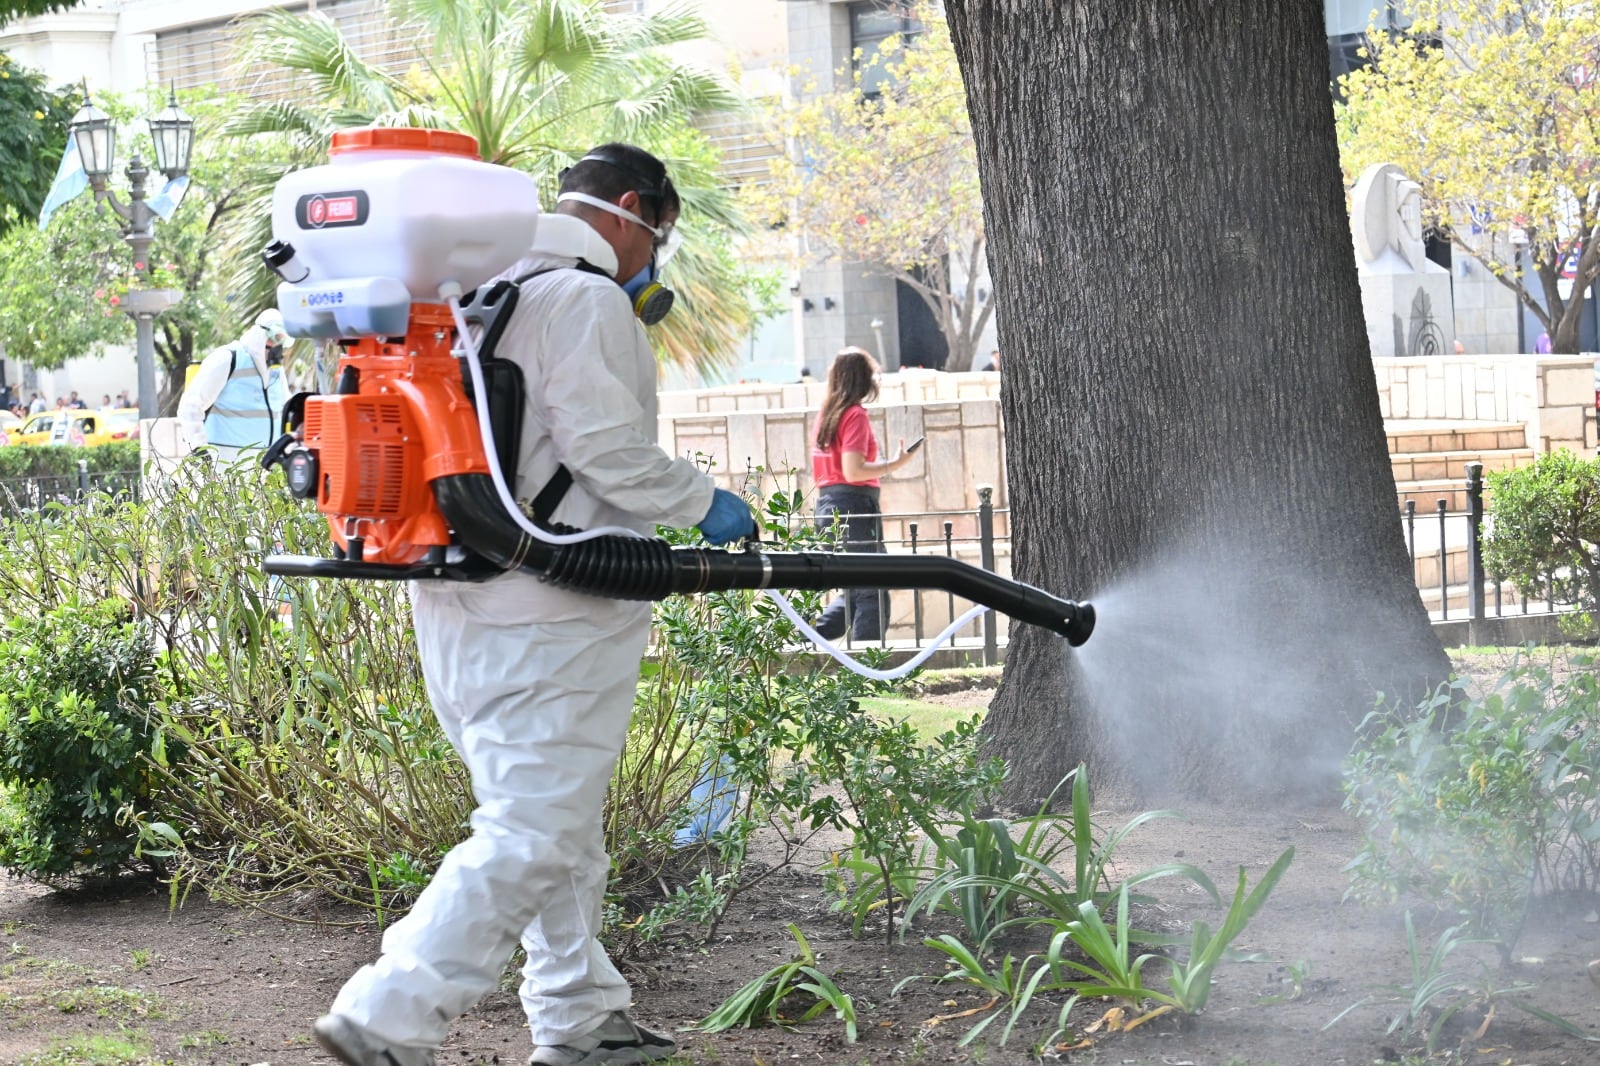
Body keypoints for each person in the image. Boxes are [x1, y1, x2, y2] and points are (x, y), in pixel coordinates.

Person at [312, 143, 756, 1066]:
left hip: (461, 606)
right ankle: (389, 1013)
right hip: (553, 614)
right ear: (633, 210)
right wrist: (700, 503)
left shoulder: (472, 301)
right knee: (535, 827)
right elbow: (606, 454)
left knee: (556, 820)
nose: (652, 263)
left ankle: (581, 1015)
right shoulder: (584, 299)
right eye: (658, 239)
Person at [808, 346, 914, 642]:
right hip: (855, 505)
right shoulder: (853, 415)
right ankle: (866, 669)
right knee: (872, 588)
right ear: (863, 379)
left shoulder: (827, 415)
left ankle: (805, 644)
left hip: (829, 504)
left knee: (855, 588)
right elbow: (853, 470)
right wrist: (896, 463)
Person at [176, 309, 292, 460]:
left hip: (266, 463)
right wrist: (199, 449)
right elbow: (190, 406)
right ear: (260, 336)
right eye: (275, 338)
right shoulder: (228, 358)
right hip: (226, 463)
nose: (277, 346)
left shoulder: (276, 371)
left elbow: (285, 409)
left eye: (282, 341)